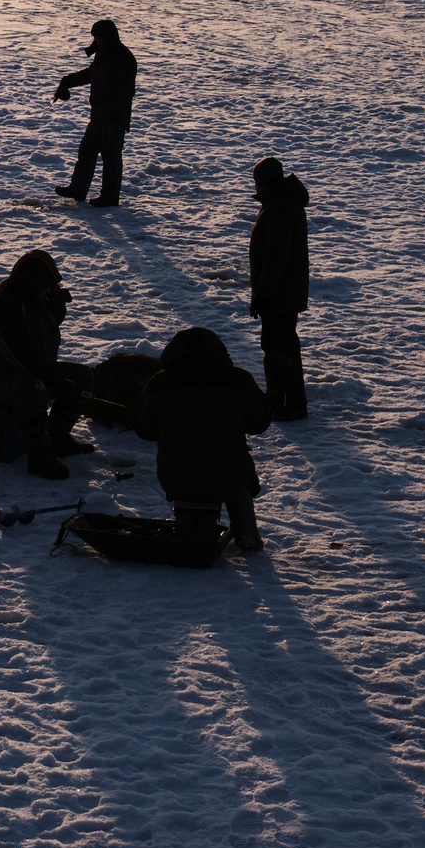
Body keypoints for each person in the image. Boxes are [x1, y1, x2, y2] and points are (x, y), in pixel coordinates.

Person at [132, 326, 269, 553]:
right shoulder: (239, 380)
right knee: (238, 473)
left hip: (176, 475)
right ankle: (247, 534)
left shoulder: (158, 384)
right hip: (229, 477)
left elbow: (144, 429)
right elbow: (260, 423)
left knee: (205, 466)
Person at [0, 249, 98, 480]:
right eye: (47, 286)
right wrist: (58, 382)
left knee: (83, 377)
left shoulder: (30, 297)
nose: (50, 291)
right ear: (33, 283)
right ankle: (39, 456)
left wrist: (56, 304)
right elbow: (23, 358)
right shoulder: (5, 307)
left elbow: (46, 327)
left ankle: (58, 438)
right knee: (32, 388)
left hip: (33, 370)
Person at [247, 156, 312, 420]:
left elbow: (276, 257)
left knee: (283, 348)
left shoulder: (279, 209)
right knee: (272, 345)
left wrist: (264, 293)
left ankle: (294, 404)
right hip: (280, 292)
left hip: (280, 293)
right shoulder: (279, 205)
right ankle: (276, 396)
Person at [53, 19, 137, 207]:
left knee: (111, 158)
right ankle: (77, 189)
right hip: (98, 115)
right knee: (87, 151)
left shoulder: (123, 58)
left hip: (113, 118)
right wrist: (67, 81)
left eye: (98, 37)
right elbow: (91, 74)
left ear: (106, 37)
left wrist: (117, 119)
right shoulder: (102, 54)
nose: (95, 40)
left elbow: (126, 92)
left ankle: (109, 197)